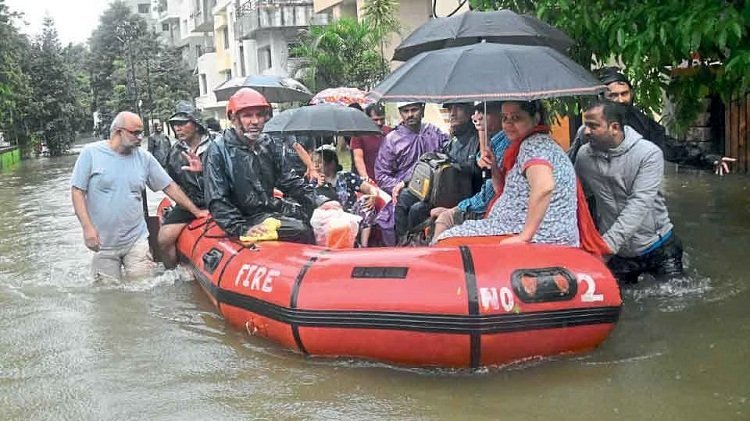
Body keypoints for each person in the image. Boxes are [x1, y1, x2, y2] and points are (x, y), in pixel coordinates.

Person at [71, 111, 207, 281]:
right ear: (118, 132)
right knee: (107, 294)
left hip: (136, 240)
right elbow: (77, 192)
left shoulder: (144, 158)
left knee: (143, 291)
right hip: (103, 243)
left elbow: (169, 187)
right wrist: (87, 228)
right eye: (135, 133)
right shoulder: (90, 153)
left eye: (141, 132)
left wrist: (196, 212)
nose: (140, 137)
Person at [435, 101, 580, 247]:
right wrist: (494, 168)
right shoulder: (524, 145)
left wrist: (524, 237)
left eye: (516, 118)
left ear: (535, 119)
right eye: (505, 118)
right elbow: (501, 191)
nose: (508, 124)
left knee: (446, 240)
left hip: (540, 234)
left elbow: (544, 186)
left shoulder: (535, 145)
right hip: (512, 224)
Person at [575, 100, 684, 284]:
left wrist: (605, 247)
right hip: (618, 253)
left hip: (658, 247)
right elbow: (578, 197)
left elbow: (639, 204)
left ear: (614, 127)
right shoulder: (584, 156)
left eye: (593, 126)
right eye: (585, 125)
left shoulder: (648, 154)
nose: (586, 131)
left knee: (673, 301)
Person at [569, 67, 735, 174]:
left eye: (624, 93)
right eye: (613, 95)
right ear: (602, 97)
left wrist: (708, 158)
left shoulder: (640, 121)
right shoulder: (589, 128)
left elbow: (669, 146)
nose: (620, 100)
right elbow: (572, 162)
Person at [203, 88, 316, 243]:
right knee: (300, 230)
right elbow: (217, 198)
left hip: (269, 210)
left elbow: (288, 180)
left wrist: (319, 201)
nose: (255, 121)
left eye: (259, 115)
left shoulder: (267, 144)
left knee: (314, 218)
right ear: (234, 118)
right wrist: (241, 228)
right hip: (243, 218)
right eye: (247, 115)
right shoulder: (218, 149)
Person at [393, 102, 481, 243]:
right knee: (404, 197)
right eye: (450, 109)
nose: (452, 113)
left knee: (417, 209)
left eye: (458, 108)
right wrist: (406, 182)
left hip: (462, 196)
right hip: (441, 190)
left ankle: (418, 244)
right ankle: (402, 243)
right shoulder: (453, 140)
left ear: (470, 110)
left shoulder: (478, 140)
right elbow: (437, 167)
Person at [374, 102, 449, 246]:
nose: (410, 114)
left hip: (436, 191)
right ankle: (404, 243)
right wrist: (399, 187)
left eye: (414, 110)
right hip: (405, 195)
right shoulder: (392, 140)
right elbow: (382, 176)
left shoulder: (435, 133)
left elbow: (448, 156)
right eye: (405, 111)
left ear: (422, 110)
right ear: (400, 113)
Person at [431, 102, 510, 238]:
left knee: (444, 219)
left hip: (493, 211)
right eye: (476, 112)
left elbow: (491, 193)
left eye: (483, 112)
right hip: (475, 200)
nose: (477, 117)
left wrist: (458, 208)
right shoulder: (454, 142)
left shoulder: (505, 144)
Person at [157, 101, 214, 269]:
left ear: (196, 124)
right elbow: (173, 183)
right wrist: (190, 207)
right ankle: (172, 272)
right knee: (164, 238)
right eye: (175, 125)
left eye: (182, 124)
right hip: (192, 201)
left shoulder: (218, 143)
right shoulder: (175, 152)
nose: (177, 128)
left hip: (220, 196)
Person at [313, 145, 381, 247]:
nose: (317, 166)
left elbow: (370, 188)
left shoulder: (346, 176)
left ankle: (364, 246)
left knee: (365, 202)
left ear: (331, 163)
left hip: (350, 213)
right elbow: (310, 199)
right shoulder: (314, 181)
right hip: (329, 216)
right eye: (315, 163)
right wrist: (319, 187)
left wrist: (373, 196)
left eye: (320, 162)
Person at [350, 103, 391, 182]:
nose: (379, 123)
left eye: (382, 119)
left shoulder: (389, 132)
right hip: (369, 179)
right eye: (375, 120)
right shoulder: (359, 134)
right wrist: (365, 177)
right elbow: (358, 158)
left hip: (388, 178)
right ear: (367, 118)